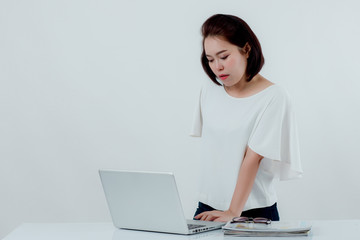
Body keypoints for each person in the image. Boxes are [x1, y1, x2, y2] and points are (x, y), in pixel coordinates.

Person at [190, 14, 303, 222]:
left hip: (253, 212)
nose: (217, 67)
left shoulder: (273, 96)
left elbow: (253, 158)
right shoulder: (209, 90)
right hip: (207, 207)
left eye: (224, 57)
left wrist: (233, 212)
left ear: (247, 50)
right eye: (210, 59)